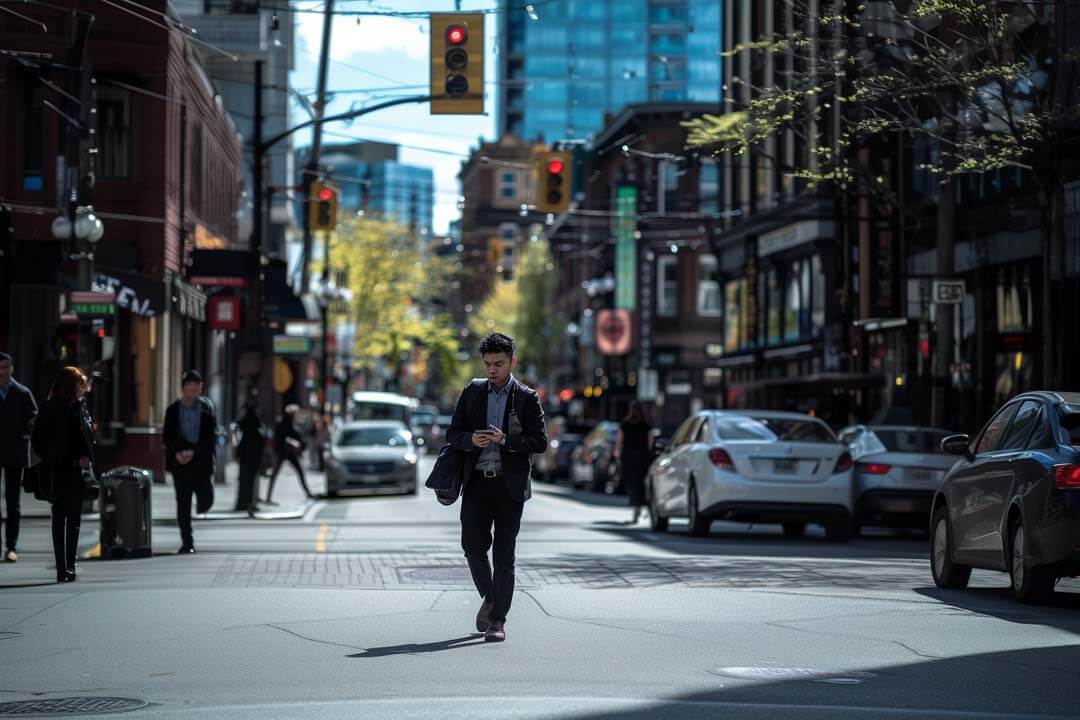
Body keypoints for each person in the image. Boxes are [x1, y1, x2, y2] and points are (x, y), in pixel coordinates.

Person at [445, 332, 547, 643]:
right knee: (473, 549)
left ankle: (498, 621)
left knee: (504, 556)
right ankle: (491, 598)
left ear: (512, 362)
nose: (492, 370)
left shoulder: (526, 397)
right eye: (488, 364)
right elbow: (453, 433)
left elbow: (540, 442)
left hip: (509, 488)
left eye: (499, 364)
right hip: (476, 483)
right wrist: (469, 439)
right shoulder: (473, 392)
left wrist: (507, 441)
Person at [31, 367, 93, 582]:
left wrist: (88, 456)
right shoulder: (50, 407)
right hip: (56, 470)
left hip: (77, 470)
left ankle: (71, 564)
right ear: (69, 386)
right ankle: (61, 567)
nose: (84, 389)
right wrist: (50, 458)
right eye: (80, 385)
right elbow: (37, 439)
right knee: (59, 517)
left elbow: (87, 437)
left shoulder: (80, 407)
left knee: (75, 517)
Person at [163, 370, 217, 553]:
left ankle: (203, 505)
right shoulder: (173, 410)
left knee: (206, 496)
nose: (194, 389)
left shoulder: (206, 407)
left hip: (200, 459)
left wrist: (194, 452)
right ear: (183, 388)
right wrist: (177, 453)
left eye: (198, 386)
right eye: (190, 386)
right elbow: (167, 437)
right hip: (181, 462)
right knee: (183, 502)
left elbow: (211, 436)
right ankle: (187, 541)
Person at [0, 352, 38, 563]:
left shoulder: (22, 393)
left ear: (11, 368)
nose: (2, 372)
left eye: (5, 367)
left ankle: (11, 547)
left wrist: (26, 437)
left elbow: (34, 420)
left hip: (14, 454)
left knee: (13, 502)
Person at [613, 401, 653, 524]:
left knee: (631, 483)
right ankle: (640, 506)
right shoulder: (646, 425)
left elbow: (619, 440)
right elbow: (649, 443)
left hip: (628, 457)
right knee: (641, 483)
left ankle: (636, 506)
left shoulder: (625, 424)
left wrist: (616, 452)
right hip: (642, 457)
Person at [265, 405, 313, 504]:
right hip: (283, 452)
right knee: (277, 474)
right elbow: (292, 434)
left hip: (286, 452)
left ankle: (268, 497)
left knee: (297, 471)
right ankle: (268, 497)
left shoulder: (285, 423)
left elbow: (292, 434)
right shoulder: (285, 423)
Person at [233, 394, 265, 514]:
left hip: (248, 454)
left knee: (246, 480)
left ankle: (245, 502)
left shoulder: (248, 416)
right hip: (249, 454)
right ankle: (246, 502)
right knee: (247, 480)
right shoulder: (251, 417)